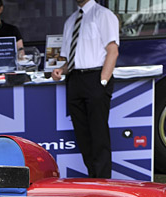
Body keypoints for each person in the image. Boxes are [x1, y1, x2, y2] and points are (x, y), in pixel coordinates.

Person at [51, 0, 119, 179]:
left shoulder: (103, 15)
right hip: (75, 80)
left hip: (95, 78)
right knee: (83, 135)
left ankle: (103, 181)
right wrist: (61, 70)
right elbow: (71, 60)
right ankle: (93, 178)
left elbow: (113, 51)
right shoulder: (70, 21)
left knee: (98, 134)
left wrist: (103, 81)